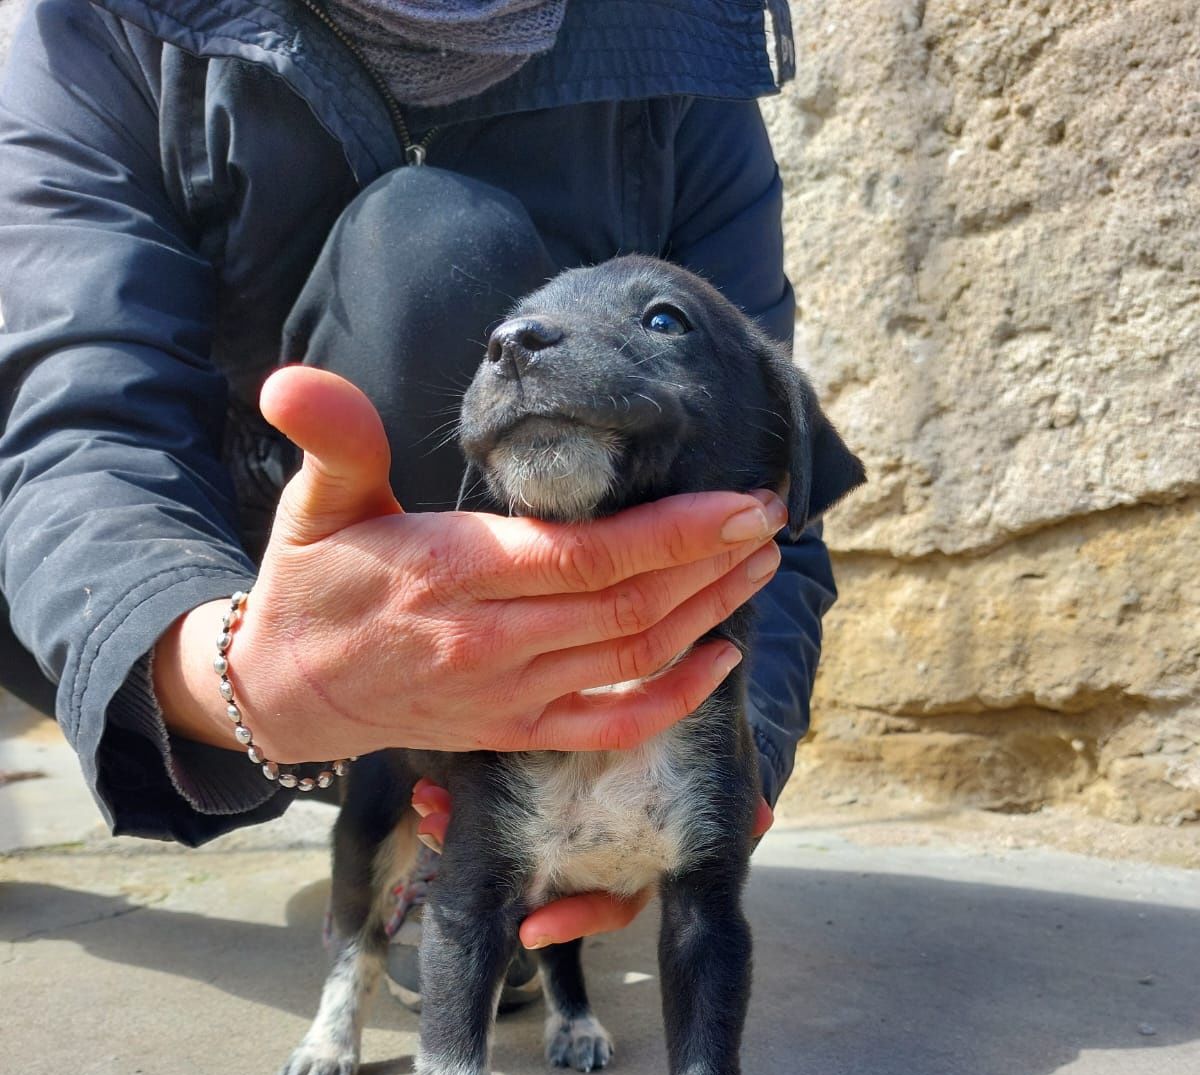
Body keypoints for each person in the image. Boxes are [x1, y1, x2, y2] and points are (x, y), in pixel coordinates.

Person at [0, 0, 836, 1005]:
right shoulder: (108, 26)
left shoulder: (683, 37)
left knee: (432, 251)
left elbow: (764, 483)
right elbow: (81, 416)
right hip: (206, 574)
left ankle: (456, 831)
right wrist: (231, 664)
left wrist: (722, 775)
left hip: (502, 690)